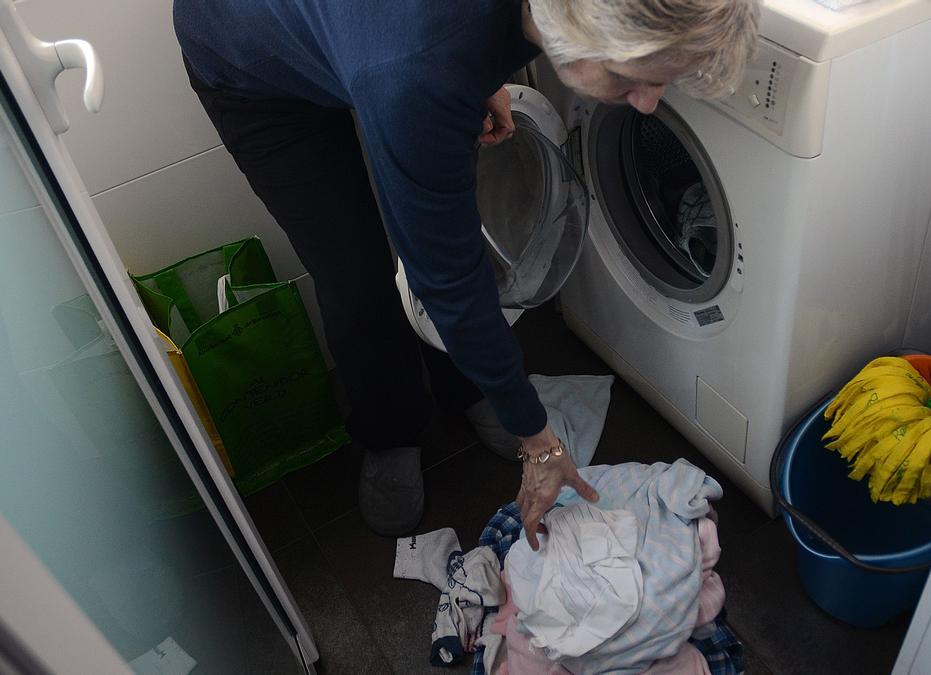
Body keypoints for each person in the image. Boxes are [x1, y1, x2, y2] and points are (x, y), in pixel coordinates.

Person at [173, 0, 760, 546]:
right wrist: (538, 440)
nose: (649, 101)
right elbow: (445, 279)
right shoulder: (414, 72)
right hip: (253, 63)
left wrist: (481, 76)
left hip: (378, 37)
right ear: (577, 26)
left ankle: (467, 385)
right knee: (355, 274)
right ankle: (391, 429)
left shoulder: (455, 50)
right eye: (636, 76)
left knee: (451, 223)